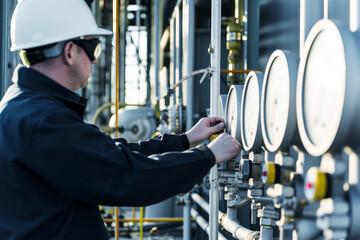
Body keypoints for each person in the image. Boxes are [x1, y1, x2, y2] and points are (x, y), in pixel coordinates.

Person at [0, 0, 241, 239]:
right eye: (93, 48)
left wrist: (185, 140)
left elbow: (109, 155)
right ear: (70, 51)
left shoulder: (25, 106)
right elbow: (129, 176)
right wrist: (208, 156)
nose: (94, 60)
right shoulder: (42, 120)